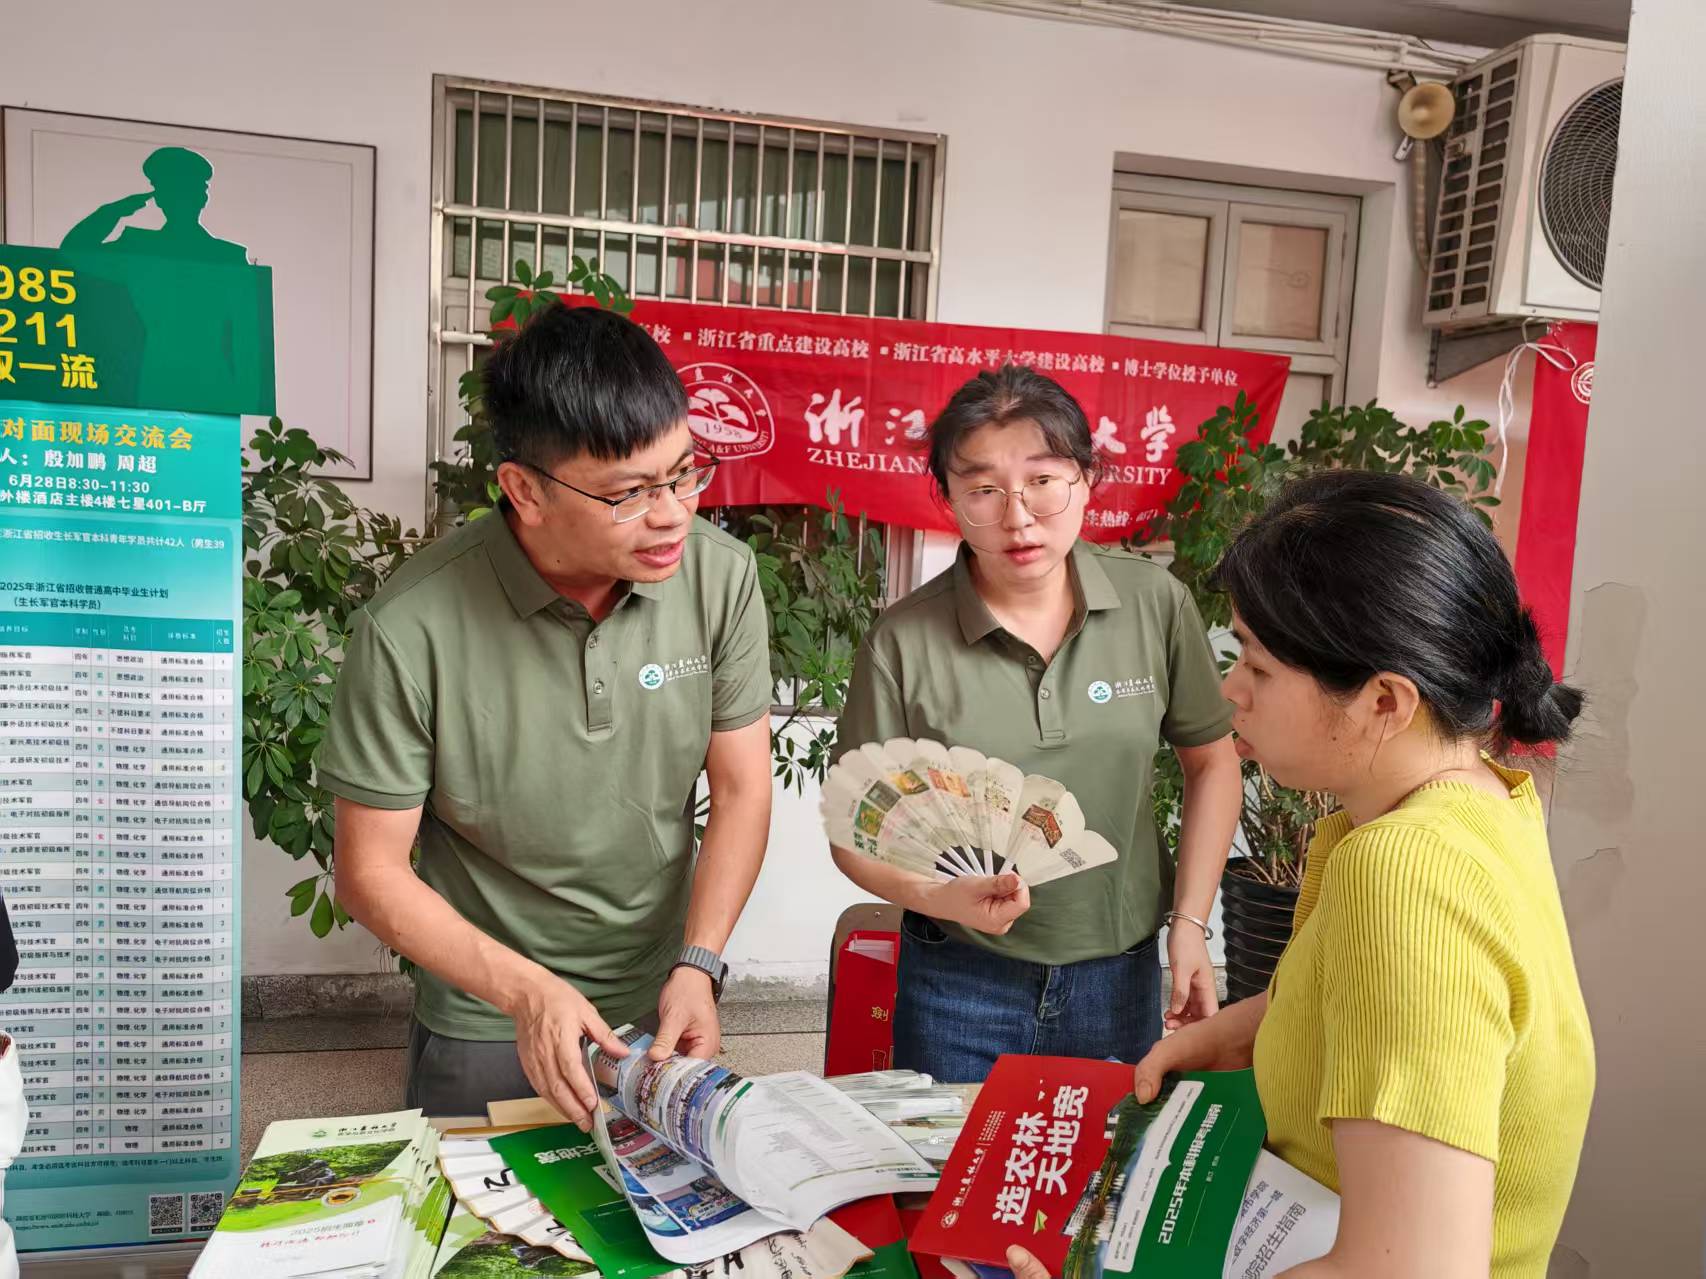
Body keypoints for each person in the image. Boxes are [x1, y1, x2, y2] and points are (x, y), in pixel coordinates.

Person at [1009, 468, 1594, 1279]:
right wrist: (1248, 1028)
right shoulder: (1482, 802)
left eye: (1258, 665)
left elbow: (1408, 1273)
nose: (1230, 690)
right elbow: (1422, 1014)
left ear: (1384, 701)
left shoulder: (1406, 876)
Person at [323, 304, 776, 1123]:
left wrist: (700, 961)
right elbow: (370, 871)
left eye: (683, 473)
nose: (673, 512)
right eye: (628, 493)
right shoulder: (410, 627)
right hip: (487, 1012)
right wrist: (527, 993)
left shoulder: (720, 579)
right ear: (524, 490)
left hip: (662, 999)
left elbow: (742, 788)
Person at [829, 365, 1242, 1083]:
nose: (1017, 518)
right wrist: (937, 896)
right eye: (984, 490)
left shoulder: (1155, 604)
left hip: (1120, 976)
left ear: (1087, 478)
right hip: (958, 980)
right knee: (954, 1159)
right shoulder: (902, 641)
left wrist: (1191, 924)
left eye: (1043, 480)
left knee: (1105, 1156)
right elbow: (854, 833)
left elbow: (1213, 762)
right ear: (949, 498)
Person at [61, 146, 249, 264]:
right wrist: (111, 212)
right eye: (172, 190)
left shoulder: (229, 256)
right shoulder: (137, 246)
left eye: (184, 189)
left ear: (202, 197)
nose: (180, 199)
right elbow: (73, 254)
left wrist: (112, 211)